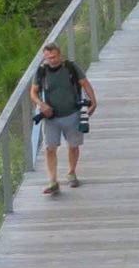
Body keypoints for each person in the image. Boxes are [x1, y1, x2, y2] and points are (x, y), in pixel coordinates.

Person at [31, 39, 96, 196]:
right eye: (48, 58)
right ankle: (53, 181)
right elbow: (33, 92)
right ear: (44, 58)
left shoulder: (71, 68)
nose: (52, 60)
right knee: (50, 148)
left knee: (73, 145)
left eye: (54, 57)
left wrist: (93, 101)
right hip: (51, 117)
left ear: (60, 55)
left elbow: (85, 83)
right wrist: (41, 104)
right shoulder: (41, 72)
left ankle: (72, 172)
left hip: (72, 113)